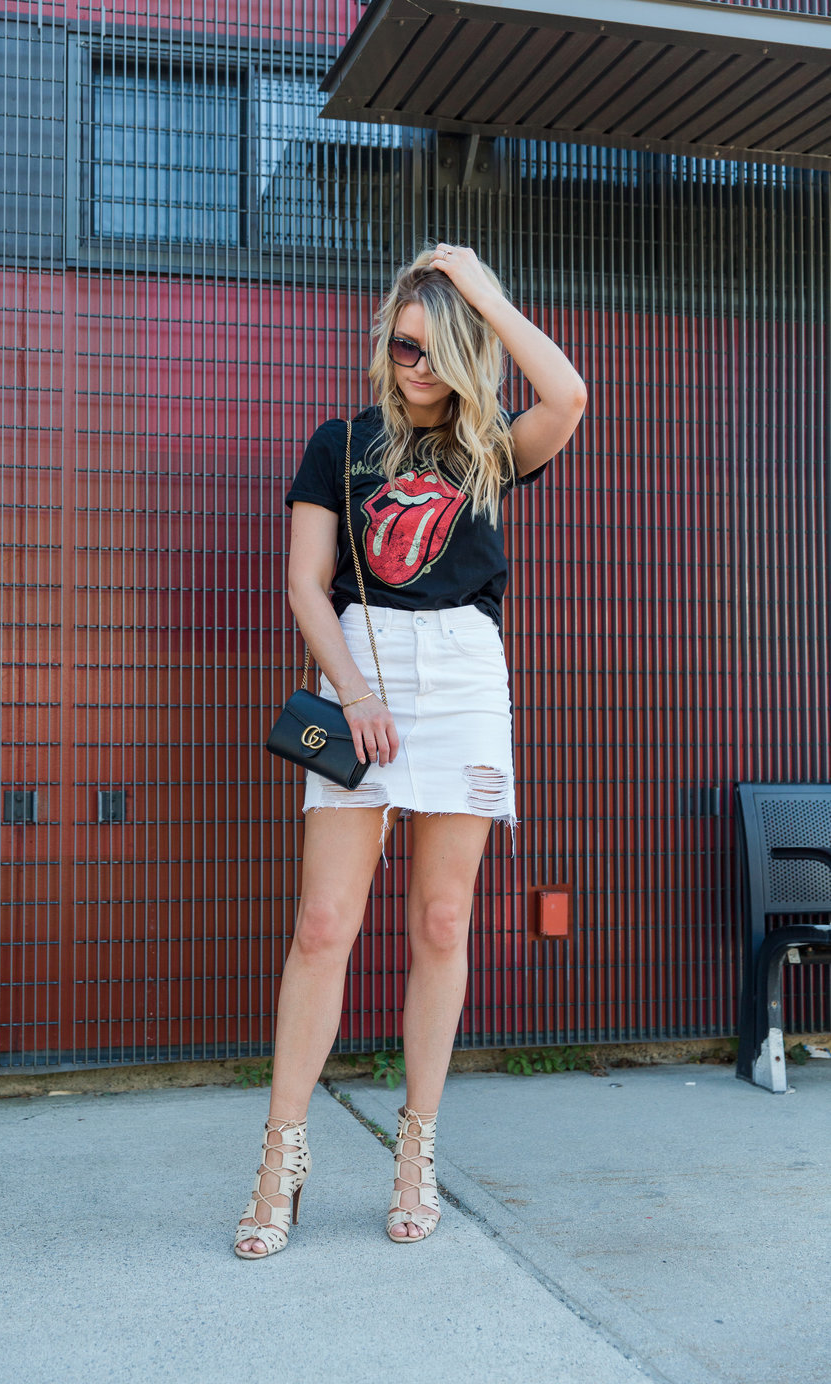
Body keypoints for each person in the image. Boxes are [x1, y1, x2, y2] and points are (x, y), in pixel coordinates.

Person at [234, 243, 587, 1258]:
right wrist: (354, 693)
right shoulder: (340, 444)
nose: (415, 366)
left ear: (467, 345)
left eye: (437, 349)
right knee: (323, 922)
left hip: (467, 681)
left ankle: (415, 1151)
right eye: (402, 343)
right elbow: (308, 582)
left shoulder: (487, 454)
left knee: (441, 919)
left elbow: (568, 393)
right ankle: (281, 1157)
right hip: (368, 676)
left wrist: (482, 288)